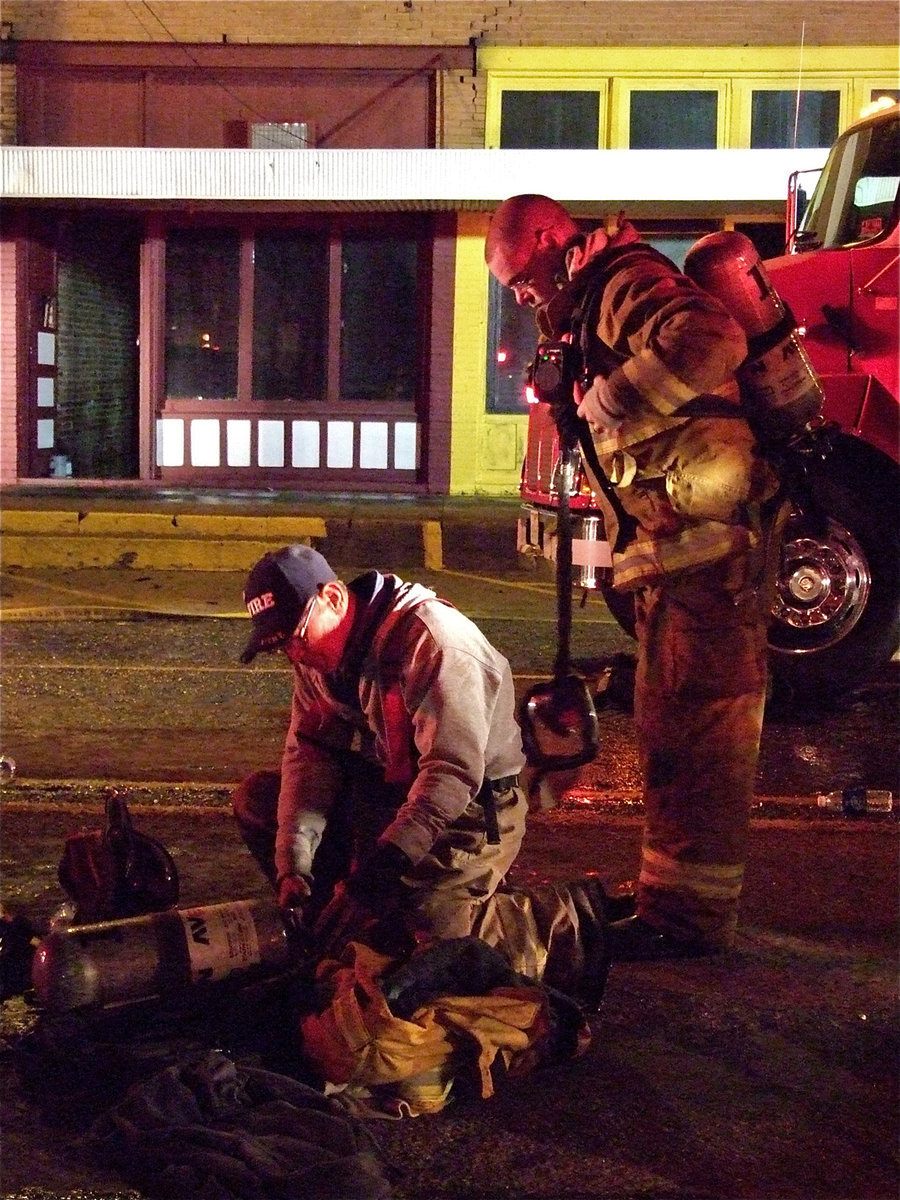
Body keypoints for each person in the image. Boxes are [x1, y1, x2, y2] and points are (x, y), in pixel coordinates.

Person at [485, 194, 785, 962]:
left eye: (521, 275)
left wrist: (606, 404)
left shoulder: (623, 283)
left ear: (554, 238)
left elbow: (712, 336)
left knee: (704, 742)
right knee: (672, 738)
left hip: (711, 556)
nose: (520, 296)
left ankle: (690, 924)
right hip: (681, 561)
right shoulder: (590, 305)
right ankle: (668, 905)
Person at [233, 545, 612, 1004]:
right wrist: (294, 867)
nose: (295, 655)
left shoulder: (435, 642)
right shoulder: (316, 660)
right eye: (281, 648)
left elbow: (450, 777)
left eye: (295, 637)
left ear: (333, 599)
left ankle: (556, 921)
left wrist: (380, 872)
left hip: (471, 810)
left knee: (428, 944)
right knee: (258, 799)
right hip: (399, 793)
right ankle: (339, 923)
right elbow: (308, 758)